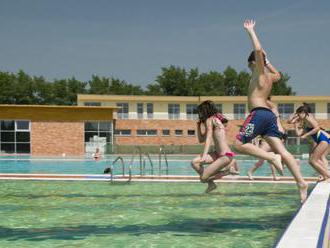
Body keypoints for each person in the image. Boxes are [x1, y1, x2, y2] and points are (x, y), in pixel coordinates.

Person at [234, 19, 308, 203]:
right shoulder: (268, 76)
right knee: (283, 151)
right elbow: (279, 75)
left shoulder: (259, 73)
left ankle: (270, 156)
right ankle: (301, 182)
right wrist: (268, 62)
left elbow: (258, 50)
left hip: (259, 113)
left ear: (253, 62)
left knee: (239, 144)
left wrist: (251, 32)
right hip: (268, 117)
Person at [191, 100, 236, 193]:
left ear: (205, 111)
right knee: (194, 162)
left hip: (225, 156)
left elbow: (208, 139)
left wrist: (204, 155)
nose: (200, 114)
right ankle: (211, 184)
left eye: (201, 112)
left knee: (203, 178)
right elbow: (201, 139)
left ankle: (227, 171)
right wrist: (198, 126)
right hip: (218, 154)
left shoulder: (210, 120)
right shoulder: (215, 120)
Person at [247, 97, 286, 181]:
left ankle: (274, 176)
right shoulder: (266, 112)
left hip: (273, 137)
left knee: (272, 159)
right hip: (267, 141)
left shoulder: (271, 112)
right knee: (262, 160)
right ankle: (250, 172)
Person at [288, 103, 330, 181]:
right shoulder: (305, 122)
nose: (298, 116)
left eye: (298, 114)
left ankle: (327, 175)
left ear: (303, 113)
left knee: (313, 160)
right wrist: (295, 125)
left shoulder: (308, 118)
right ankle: (325, 175)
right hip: (321, 141)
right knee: (312, 161)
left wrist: (306, 135)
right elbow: (299, 133)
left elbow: (317, 128)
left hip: (323, 141)